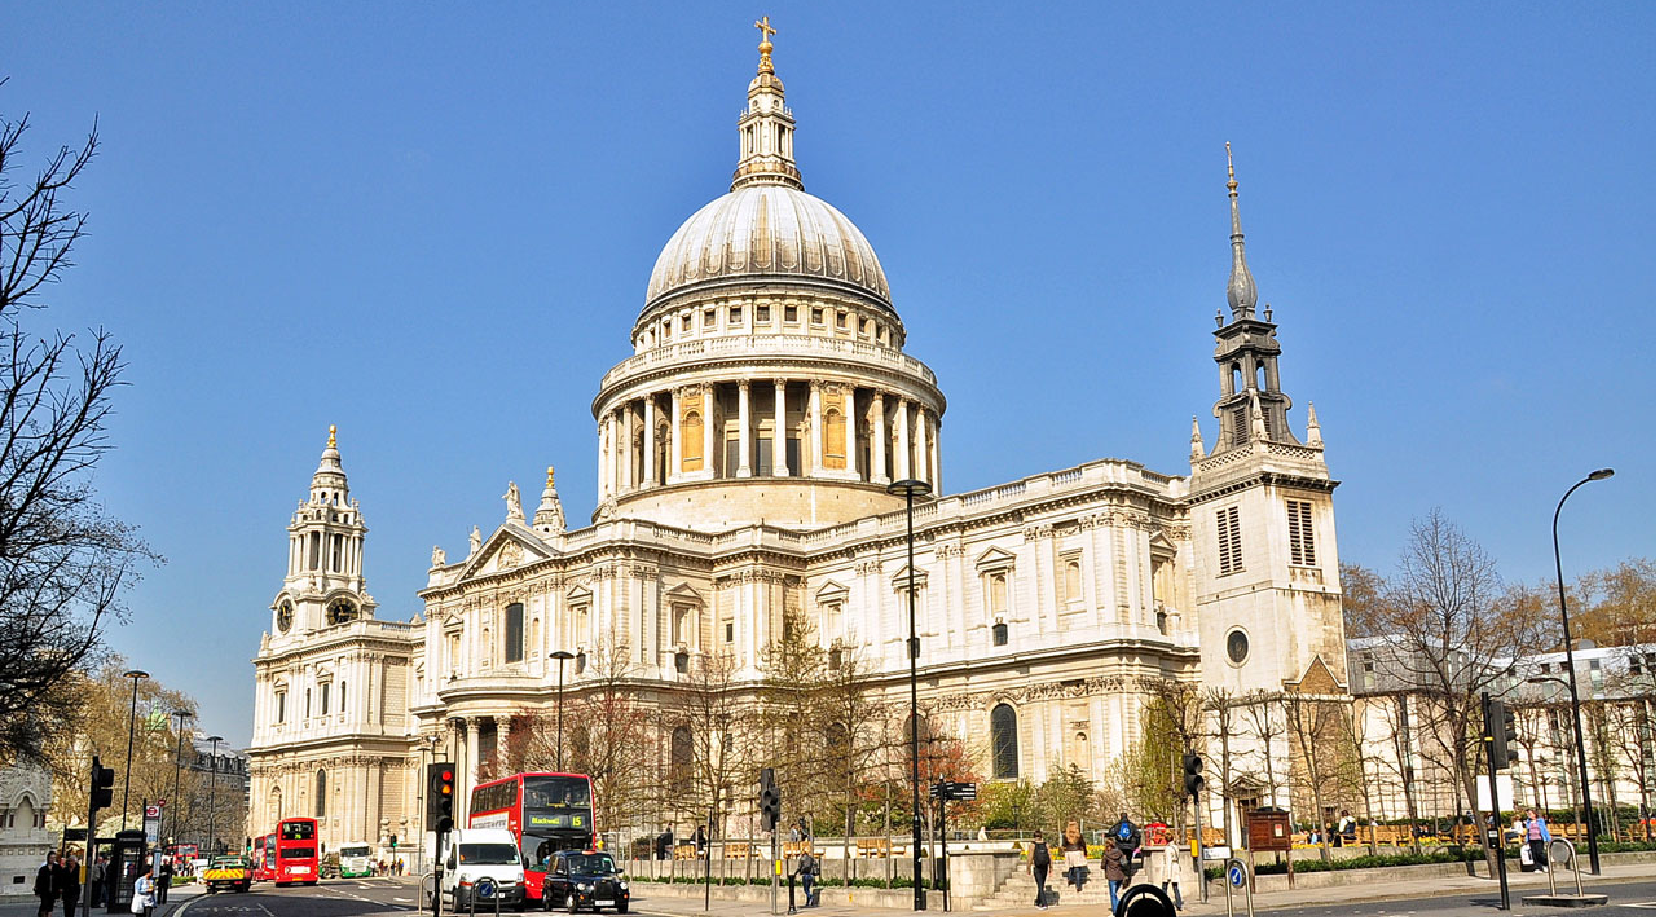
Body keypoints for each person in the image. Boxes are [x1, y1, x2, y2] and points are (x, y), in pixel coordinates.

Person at [1102, 839, 1128, 911]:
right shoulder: (1120, 853)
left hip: (1112, 876)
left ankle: (1116, 910)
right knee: (1115, 894)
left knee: (1113, 895)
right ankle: (1120, 906)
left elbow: (1102, 865)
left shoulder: (1106, 854)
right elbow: (1125, 864)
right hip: (1120, 875)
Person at [1028, 830, 1051, 909]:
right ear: (1041, 837)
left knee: (1040, 886)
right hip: (1045, 867)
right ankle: (1038, 902)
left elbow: (1030, 857)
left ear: (1034, 837)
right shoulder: (1046, 844)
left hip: (1037, 867)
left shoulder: (1032, 845)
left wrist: (1028, 867)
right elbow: (1050, 857)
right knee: (1041, 884)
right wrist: (1051, 867)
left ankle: (1044, 904)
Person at [1060, 823, 1087, 889]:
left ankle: (1070, 879)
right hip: (1077, 851)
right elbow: (1083, 843)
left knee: (1071, 867)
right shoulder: (1078, 835)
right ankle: (1078, 885)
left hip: (1069, 851)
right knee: (1077, 868)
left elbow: (1064, 844)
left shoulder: (1066, 835)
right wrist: (1085, 852)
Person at [1525, 808, 1551, 873]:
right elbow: (1528, 831)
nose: (1529, 815)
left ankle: (1545, 864)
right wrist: (1527, 840)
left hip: (1539, 839)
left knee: (1539, 853)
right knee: (1534, 854)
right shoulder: (1528, 822)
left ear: (1534, 814)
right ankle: (1537, 867)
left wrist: (1548, 838)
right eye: (1528, 814)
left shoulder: (1540, 821)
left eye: (1530, 814)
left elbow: (1544, 830)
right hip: (1532, 839)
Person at [56, 853, 81, 917]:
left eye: (72, 861)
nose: (71, 863)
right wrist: (61, 888)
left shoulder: (78, 869)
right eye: (70, 861)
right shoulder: (65, 870)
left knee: (72, 907)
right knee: (67, 907)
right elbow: (62, 880)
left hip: (74, 891)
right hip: (66, 891)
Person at [35, 852, 57, 917]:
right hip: (44, 891)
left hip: (52, 891)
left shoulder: (57, 867)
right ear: (48, 858)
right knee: (44, 906)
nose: (52, 859)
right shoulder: (43, 867)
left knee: (50, 908)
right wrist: (37, 889)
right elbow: (39, 879)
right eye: (51, 858)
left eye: (54, 858)